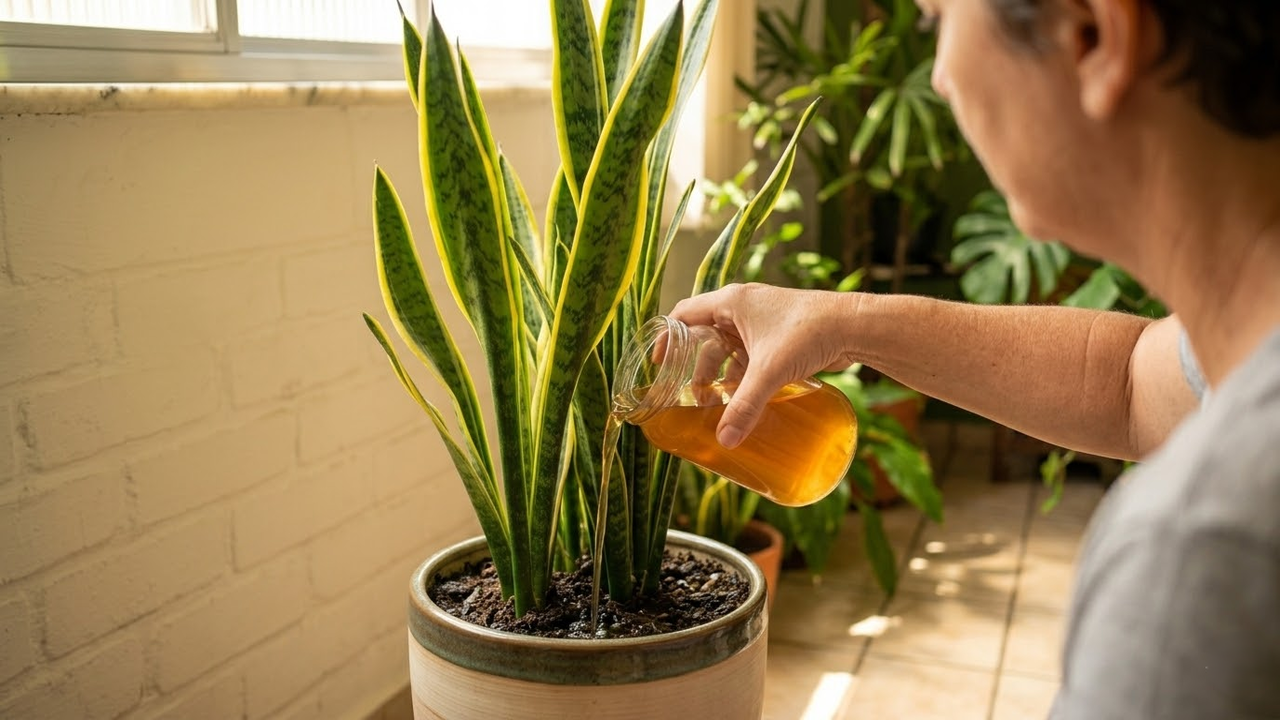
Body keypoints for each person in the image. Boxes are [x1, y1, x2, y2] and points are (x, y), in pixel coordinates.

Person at [671, 1, 1280, 717]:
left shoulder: (1206, 555)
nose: (939, 78)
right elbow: (1131, 384)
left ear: (1092, 36)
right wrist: (841, 321)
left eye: (938, 20)